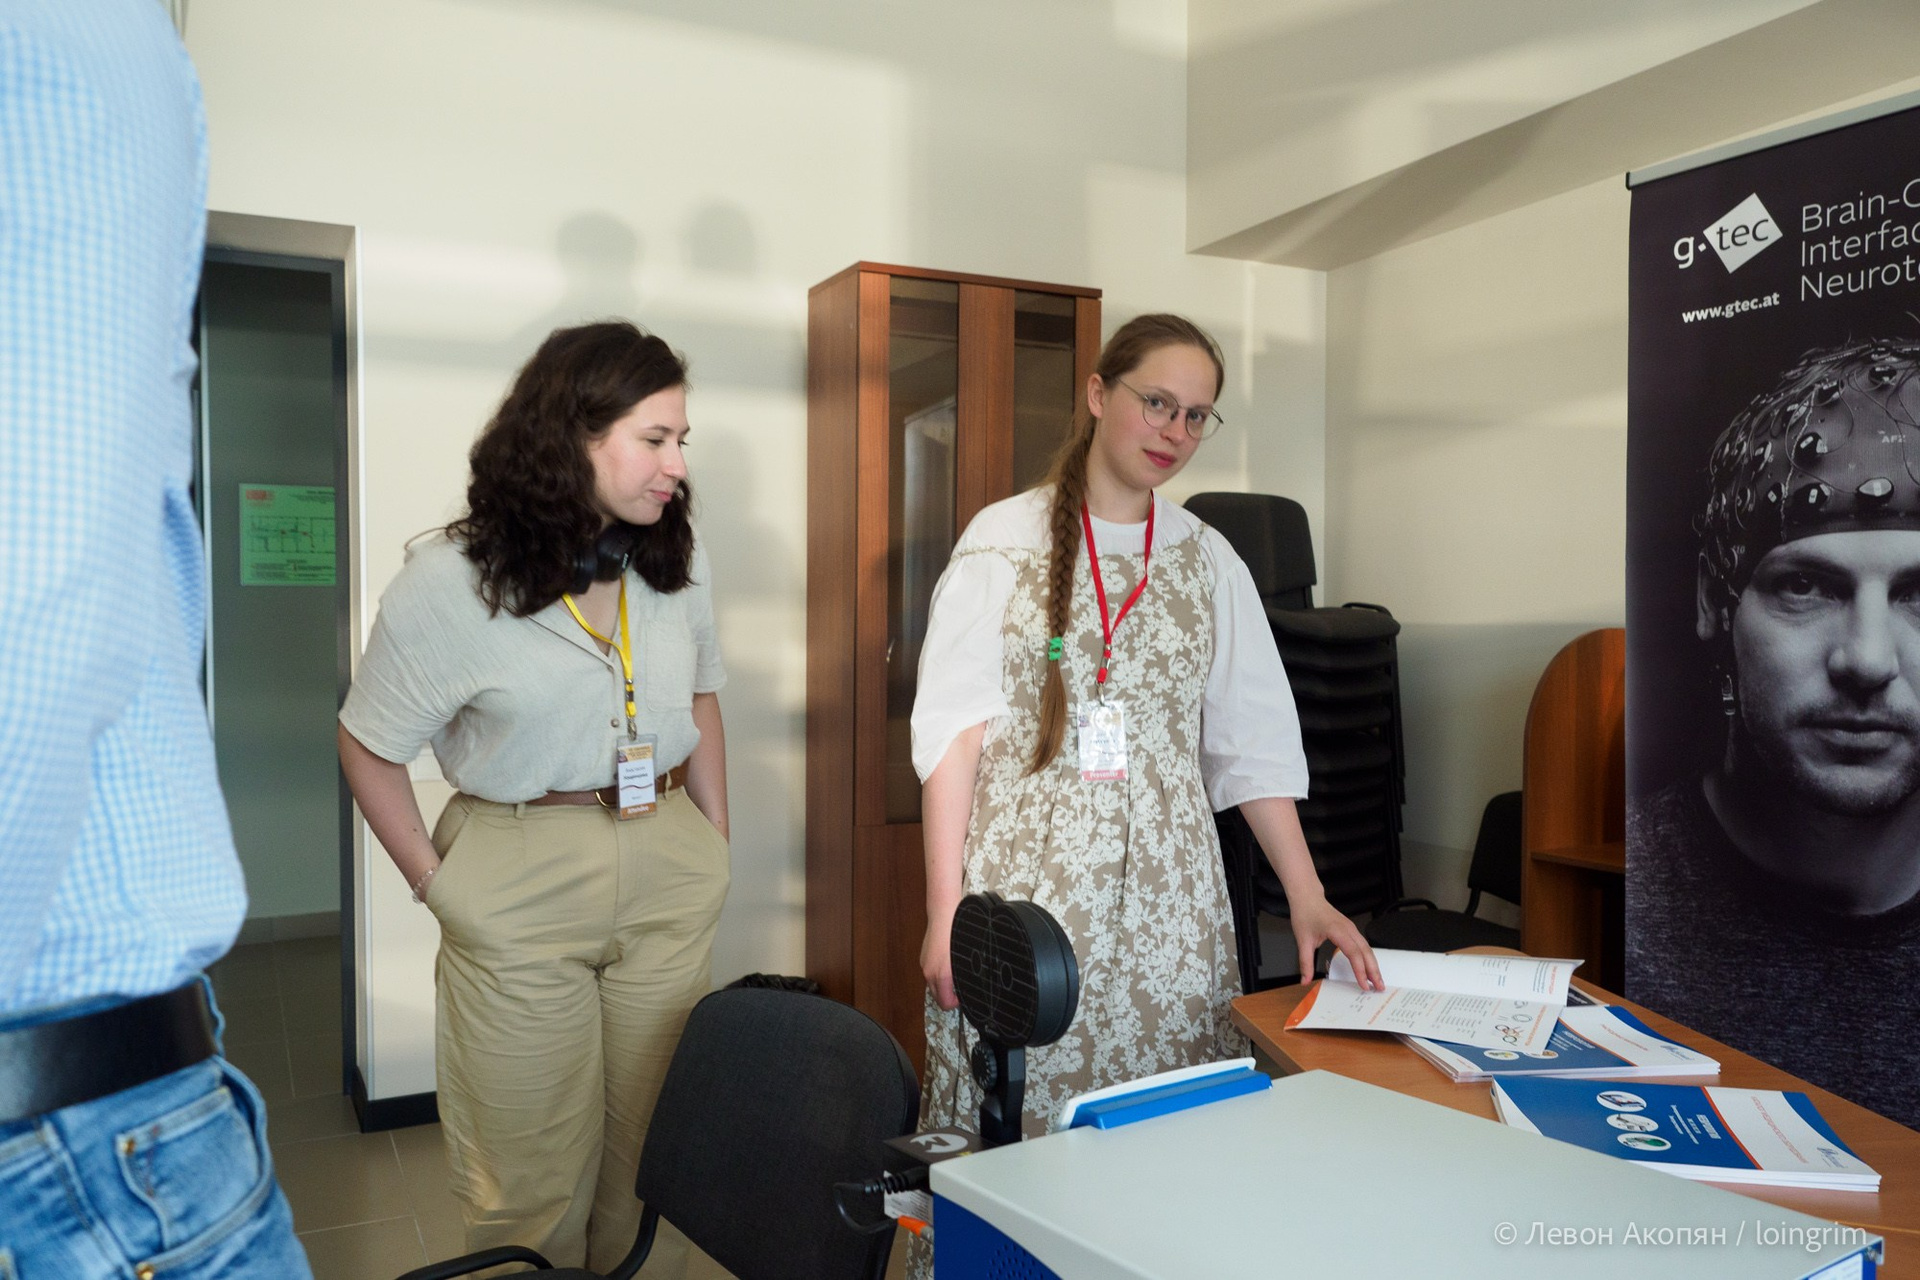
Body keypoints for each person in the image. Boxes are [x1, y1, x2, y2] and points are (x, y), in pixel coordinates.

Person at [0, 2, 312, 1275]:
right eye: (654, 434)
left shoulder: (54, 36)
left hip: (67, 1128)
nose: (676, 462)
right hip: (68, 1125)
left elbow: (34, 567)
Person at [911, 314, 1384, 1151]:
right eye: (1157, 403)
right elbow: (954, 738)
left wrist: (1307, 895)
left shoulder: (1209, 559)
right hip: (1031, 894)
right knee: (1029, 1129)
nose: (1174, 431)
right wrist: (944, 908)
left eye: (1195, 416)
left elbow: (1252, 748)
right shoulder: (1003, 541)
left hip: (1174, 905)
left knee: (1167, 1131)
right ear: (1099, 394)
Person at [337, 321, 730, 1272]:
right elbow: (366, 743)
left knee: (657, 1169)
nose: (678, 465)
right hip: (518, 874)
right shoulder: (448, 583)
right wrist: (439, 885)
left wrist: (713, 841)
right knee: (530, 1180)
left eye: (682, 440)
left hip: (666, 859)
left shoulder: (676, 560)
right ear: (570, 437)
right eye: (654, 439)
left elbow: (702, 696)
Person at [1629, 337, 1920, 1129]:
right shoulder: (1634, 900)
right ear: (1715, 604)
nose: (1866, 660)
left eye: (1918, 597)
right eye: (1805, 588)